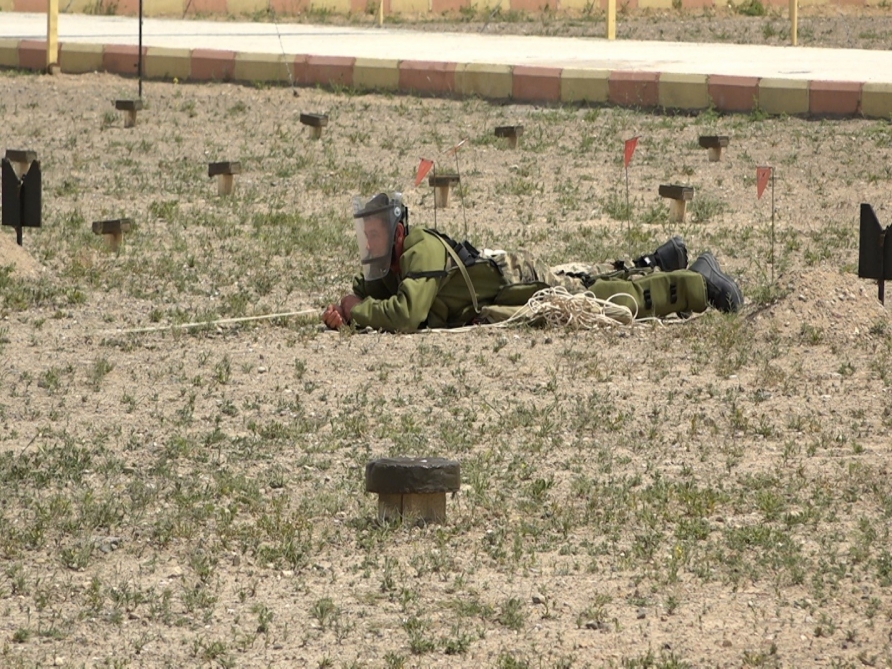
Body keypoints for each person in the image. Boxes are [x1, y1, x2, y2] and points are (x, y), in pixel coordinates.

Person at [322, 192, 742, 333]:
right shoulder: (397, 261)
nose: (369, 242)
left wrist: (358, 311)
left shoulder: (419, 249)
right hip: (505, 282)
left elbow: (406, 314)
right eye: (366, 234)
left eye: (375, 234)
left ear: (397, 231)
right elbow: (371, 294)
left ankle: (697, 285)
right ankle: (661, 261)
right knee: (580, 276)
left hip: (513, 281)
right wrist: (345, 310)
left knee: (599, 297)